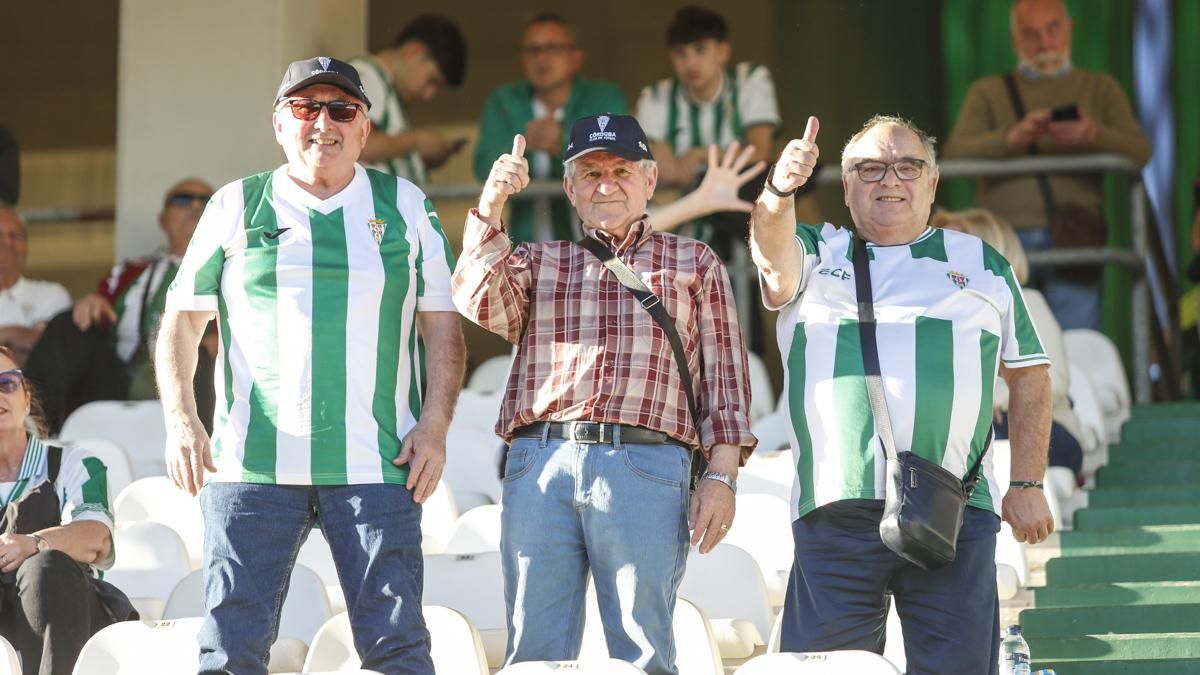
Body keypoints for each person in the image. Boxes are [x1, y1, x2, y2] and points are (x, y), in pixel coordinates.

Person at [155, 56, 465, 675]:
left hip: (378, 463)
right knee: (230, 651)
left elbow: (444, 330)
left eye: (341, 109)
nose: (323, 122)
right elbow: (182, 324)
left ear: (364, 129)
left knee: (397, 650)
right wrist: (182, 421)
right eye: (306, 108)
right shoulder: (234, 204)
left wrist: (434, 427)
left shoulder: (405, 203)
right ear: (278, 123)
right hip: (252, 465)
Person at [750, 114, 1055, 674]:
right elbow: (771, 252)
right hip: (836, 508)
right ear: (845, 186)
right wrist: (778, 191)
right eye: (869, 168)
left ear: (933, 183)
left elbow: (1030, 373)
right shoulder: (819, 250)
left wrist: (1028, 482)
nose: (889, 179)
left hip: (954, 509)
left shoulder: (982, 263)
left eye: (908, 166)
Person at [453, 114, 756, 675]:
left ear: (650, 180)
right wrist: (491, 206)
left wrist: (721, 476)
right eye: (590, 172)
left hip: (647, 461)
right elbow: (476, 299)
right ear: (570, 189)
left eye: (621, 170)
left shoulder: (695, 262)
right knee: (534, 655)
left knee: (642, 655)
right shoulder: (539, 261)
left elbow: (727, 384)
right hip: (541, 460)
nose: (605, 184)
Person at [942, 0, 1150, 331]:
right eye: (1031, 33)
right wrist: (1011, 137)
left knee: (1076, 346)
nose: (1044, 42)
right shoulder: (987, 92)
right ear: (1015, 41)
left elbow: (1140, 151)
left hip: (1074, 237)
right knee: (1006, 349)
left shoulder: (1101, 88)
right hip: (1002, 239)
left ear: (1069, 30)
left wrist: (1092, 134)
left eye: (1052, 29)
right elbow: (953, 158)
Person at [23, 179, 216, 435]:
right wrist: (92, 303)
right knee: (66, 324)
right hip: (115, 377)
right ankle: (30, 432)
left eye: (205, 202)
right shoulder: (130, 271)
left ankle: (208, 448)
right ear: (164, 220)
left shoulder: (229, 269)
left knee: (204, 351)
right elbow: (98, 309)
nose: (194, 206)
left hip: (189, 378)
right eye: (182, 200)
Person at [0, 346, 131, 675]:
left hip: (69, 617)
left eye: (7, 383)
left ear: (27, 400)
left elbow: (96, 537)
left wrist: (34, 543)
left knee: (45, 568)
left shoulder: (72, 463)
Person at [933, 207, 1089, 478]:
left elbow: (1055, 381)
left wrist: (986, 399)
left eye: (956, 250)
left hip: (1042, 432)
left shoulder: (1027, 302)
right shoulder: (934, 316)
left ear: (993, 252)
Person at [473, 12, 627, 243]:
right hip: (525, 248)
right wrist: (528, 142)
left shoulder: (604, 97)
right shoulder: (504, 100)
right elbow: (483, 165)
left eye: (553, 48)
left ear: (576, 57)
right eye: (533, 50)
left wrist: (563, 142)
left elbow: (620, 158)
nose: (542, 58)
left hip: (598, 245)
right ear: (522, 60)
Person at [636, 6, 780, 252]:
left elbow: (759, 151)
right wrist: (660, 161)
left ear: (723, 51)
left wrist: (700, 154)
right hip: (684, 234)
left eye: (700, 50)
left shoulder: (751, 80)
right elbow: (646, 159)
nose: (690, 62)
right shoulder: (656, 96)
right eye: (681, 53)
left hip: (746, 228)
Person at [349, 14, 468, 184]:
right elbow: (359, 144)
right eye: (432, 80)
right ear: (414, 52)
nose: (429, 95)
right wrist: (418, 140)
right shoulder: (368, 75)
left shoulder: (387, 89)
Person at [0, 207, 70, 366]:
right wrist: (12, 337)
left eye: (15, 236)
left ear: (26, 246)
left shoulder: (50, 294)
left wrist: (11, 334)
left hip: (34, 388)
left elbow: (46, 351)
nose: (7, 242)